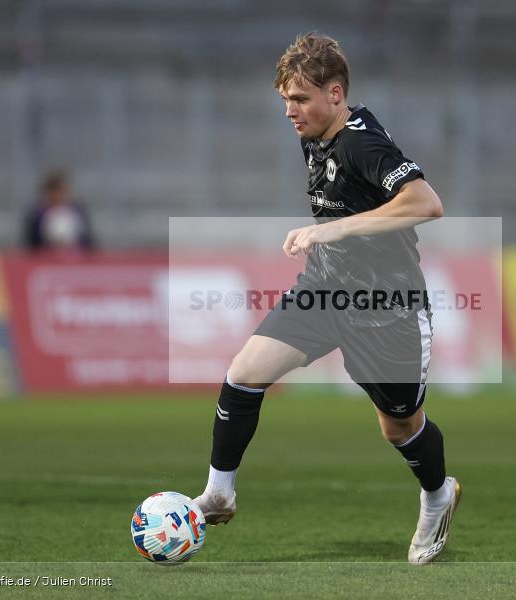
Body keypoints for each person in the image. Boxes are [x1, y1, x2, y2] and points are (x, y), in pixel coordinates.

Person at [194, 32, 459, 564]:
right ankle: (219, 491)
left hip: (387, 312)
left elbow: (427, 203)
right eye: (285, 100)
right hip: (323, 291)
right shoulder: (316, 131)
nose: (290, 112)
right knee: (245, 373)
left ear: (335, 94)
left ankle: (437, 495)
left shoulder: (362, 143)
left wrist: (337, 230)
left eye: (300, 100)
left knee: (399, 427)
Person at [23, 170, 95, 251]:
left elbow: (89, 243)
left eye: (61, 191)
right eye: (54, 192)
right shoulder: (36, 216)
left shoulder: (79, 212)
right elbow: (31, 246)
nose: (57, 196)